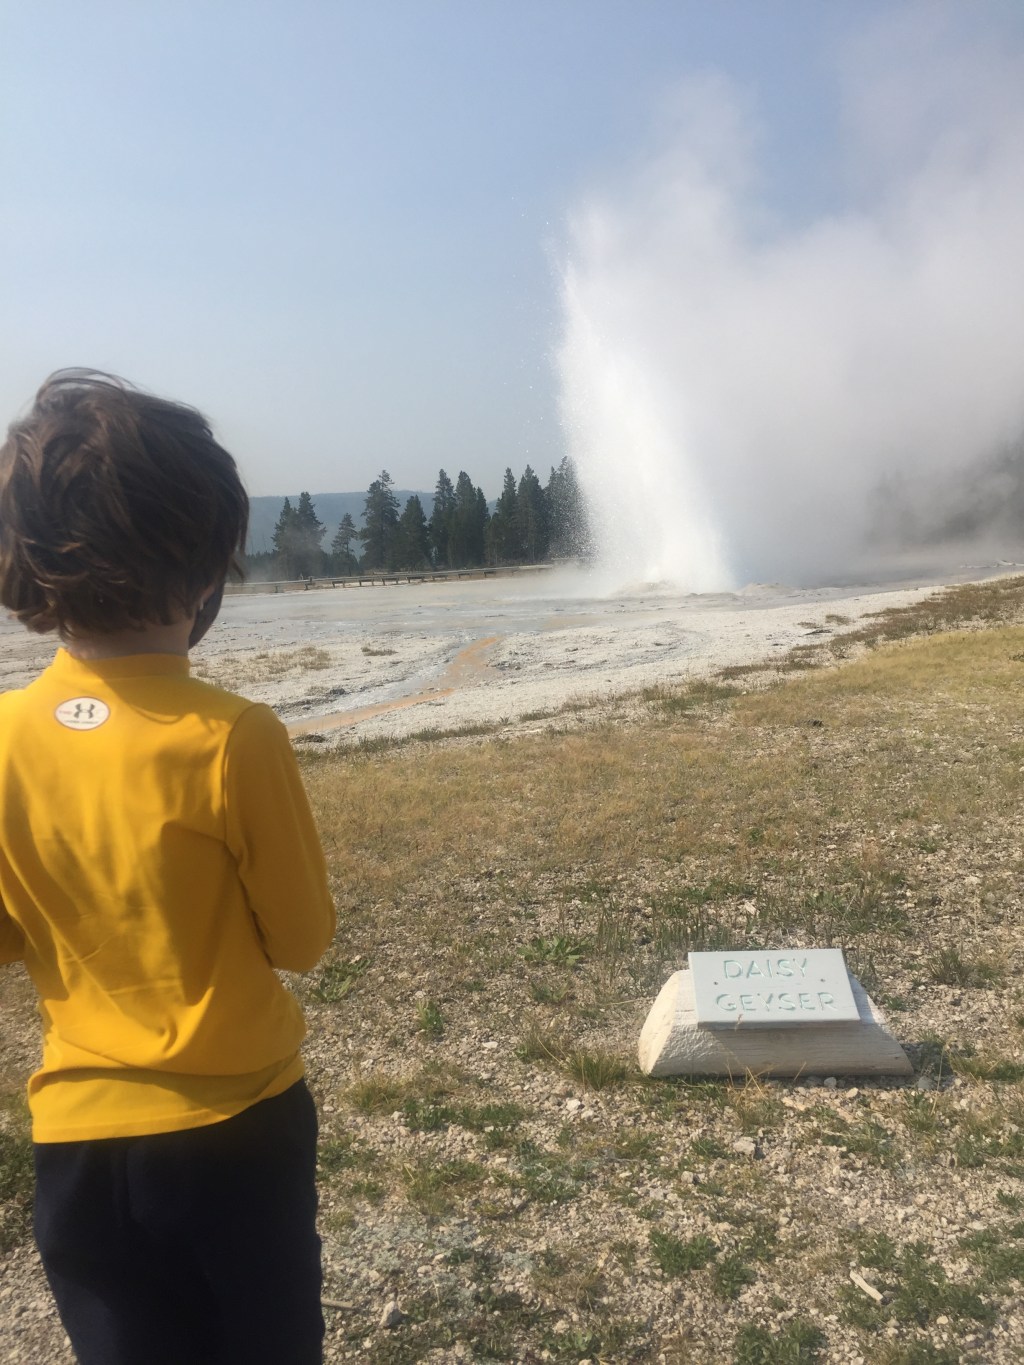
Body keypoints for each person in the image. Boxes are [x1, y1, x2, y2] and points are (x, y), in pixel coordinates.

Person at [0, 371, 336, 1365]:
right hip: (237, 1131)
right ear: (204, 565)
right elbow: (304, 942)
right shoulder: (231, 737)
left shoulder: (6, 738)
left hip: (76, 1143)